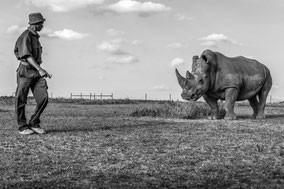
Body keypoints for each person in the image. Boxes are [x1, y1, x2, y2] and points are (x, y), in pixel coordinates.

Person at [14, 12, 51, 135]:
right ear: (36, 24)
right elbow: (27, 56)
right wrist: (40, 70)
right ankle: (22, 126)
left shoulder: (35, 37)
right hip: (25, 71)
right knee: (21, 99)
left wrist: (39, 70)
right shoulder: (26, 36)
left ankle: (34, 123)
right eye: (42, 23)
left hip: (36, 71)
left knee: (43, 97)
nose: (43, 26)